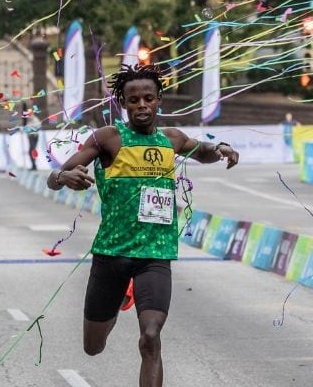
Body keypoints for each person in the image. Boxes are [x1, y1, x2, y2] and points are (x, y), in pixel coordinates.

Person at [46, 64, 239, 387]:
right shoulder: (108, 138)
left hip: (155, 253)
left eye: (148, 98)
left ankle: (135, 292)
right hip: (112, 253)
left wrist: (220, 149)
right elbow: (55, 177)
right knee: (93, 347)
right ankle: (122, 293)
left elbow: (202, 151)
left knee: (150, 336)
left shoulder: (171, 139)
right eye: (133, 100)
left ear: (159, 99)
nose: (142, 106)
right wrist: (64, 177)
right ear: (123, 103)